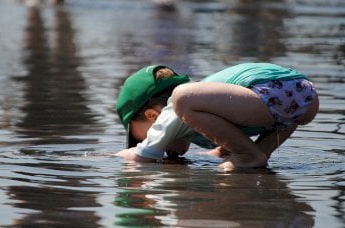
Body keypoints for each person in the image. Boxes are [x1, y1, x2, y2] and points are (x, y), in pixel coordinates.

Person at [115, 63, 319, 170]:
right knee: (243, 151)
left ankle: (250, 156)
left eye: (141, 138)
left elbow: (141, 157)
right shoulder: (205, 116)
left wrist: (114, 156)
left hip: (271, 91)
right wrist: (218, 153)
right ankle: (256, 154)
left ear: (152, 116)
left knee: (182, 98)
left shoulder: (176, 108)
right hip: (305, 98)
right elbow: (229, 139)